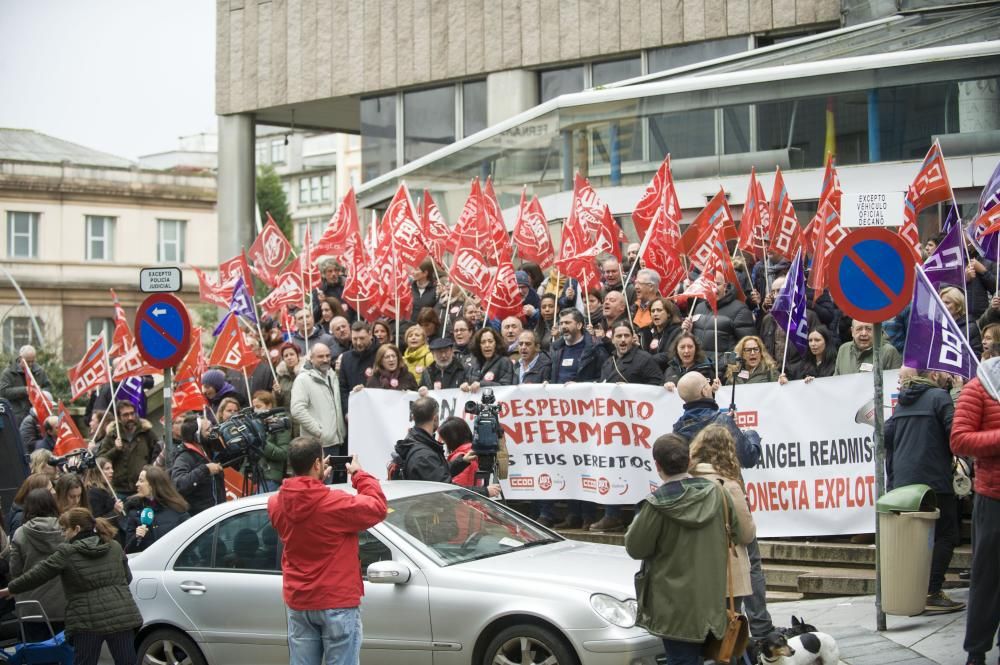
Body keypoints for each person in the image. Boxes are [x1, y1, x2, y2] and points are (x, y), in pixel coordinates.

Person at [268, 438, 387, 665]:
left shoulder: (275, 503)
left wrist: (315, 481)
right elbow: (378, 507)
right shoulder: (335, 503)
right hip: (336, 599)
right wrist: (359, 475)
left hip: (300, 600)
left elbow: (304, 505)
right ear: (316, 464)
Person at [625, 434, 738, 665]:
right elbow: (735, 531)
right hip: (713, 601)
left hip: (673, 606)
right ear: (689, 461)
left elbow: (635, 548)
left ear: (657, 465)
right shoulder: (719, 493)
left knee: (680, 660)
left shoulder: (655, 505)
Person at [0, 508, 143, 665]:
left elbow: (38, 574)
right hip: (121, 615)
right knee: (128, 661)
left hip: (86, 620)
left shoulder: (67, 552)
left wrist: (11, 589)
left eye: (64, 530)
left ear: (76, 529)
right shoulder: (114, 546)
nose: (62, 534)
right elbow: (127, 577)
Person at [884, 368, 963, 612]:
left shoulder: (902, 404)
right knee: (946, 535)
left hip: (904, 484)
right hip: (934, 481)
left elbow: (887, 437)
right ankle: (932, 590)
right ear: (932, 375)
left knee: (914, 540)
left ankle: (914, 590)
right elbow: (956, 434)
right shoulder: (939, 396)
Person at [950, 356, 1000, 665]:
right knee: (988, 579)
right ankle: (977, 651)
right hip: (993, 498)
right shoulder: (979, 386)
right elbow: (959, 439)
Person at [688, 426, 757, 627]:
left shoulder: (686, 481)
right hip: (727, 574)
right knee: (727, 637)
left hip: (692, 570)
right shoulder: (729, 485)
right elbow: (746, 534)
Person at [392, 396, 500, 496]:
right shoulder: (423, 454)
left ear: (414, 417)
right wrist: (485, 491)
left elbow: (435, 473)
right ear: (435, 418)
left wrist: (462, 461)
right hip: (429, 513)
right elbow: (446, 489)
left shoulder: (415, 442)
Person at [7, 488, 67, 641]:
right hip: (64, 605)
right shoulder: (66, 529)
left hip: (31, 608)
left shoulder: (20, 533)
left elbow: (15, 570)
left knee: (38, 654)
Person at [96, 400, 161, 499]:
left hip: (143, 488)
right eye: (125, 415)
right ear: (118, 417)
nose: (130, 418)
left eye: (132, 413)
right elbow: (101, 460)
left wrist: (149, 472)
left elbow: (157, 454)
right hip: (120, 490)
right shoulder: (112, 435)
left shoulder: (146, 433)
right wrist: (115, 450)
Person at [290, 343, 347, 454]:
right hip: (317, 444)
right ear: (311, 358)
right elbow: (297, 410)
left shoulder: (332, 375)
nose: (325, 359)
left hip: (336, 441)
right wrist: (319, 431)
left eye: (328, 356)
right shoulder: (303, 379)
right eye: (320, 356)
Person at [124, 466, 190, 553]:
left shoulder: (177, 509)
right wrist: (136, 537)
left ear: (152, 485)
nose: (137, 484)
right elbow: (128, 551)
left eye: (141, 481)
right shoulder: (134, 511)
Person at [688, 273, 756, 356]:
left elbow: (749, 343)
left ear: (725, 286)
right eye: (709, 284)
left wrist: (731, 364)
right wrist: (688, 331)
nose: (713, 288)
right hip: (701, 366)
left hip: (724, 367)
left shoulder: (740, 309)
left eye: (717, 284)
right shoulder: (699, 307)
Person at [170, 416, 226, 516]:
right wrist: (205, 469)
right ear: (196, 436)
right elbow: (179, 484)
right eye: (208, 430)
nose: (211, 432)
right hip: (203, 518)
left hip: (218, 512)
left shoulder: (207, 450)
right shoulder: (184, 457)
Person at [549, 308, 609, 384]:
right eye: (561, 323)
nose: (563, 326)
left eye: (567, 323)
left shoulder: (595, 348)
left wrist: (579, 386)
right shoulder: (555, 348)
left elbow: (604, 379)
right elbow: (550, 376)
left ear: (579, 325)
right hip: (558, 395)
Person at [250, 391, 292, 491]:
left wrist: (262, 442)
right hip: (254, 477)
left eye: (259, 406)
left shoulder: (280, 423)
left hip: (270, 477)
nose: (256, 410)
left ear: (269, 405)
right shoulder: (255, 424)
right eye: (254, 407)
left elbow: (283, 453)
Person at [0, 345, 51, 426]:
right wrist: (26, 390)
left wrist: (42, 393)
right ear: (21, 358)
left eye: (32, 361)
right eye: (27, 361)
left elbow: (47, 387)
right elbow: (3, 392)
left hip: (36, 414)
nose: (30, 364)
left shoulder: (39, 371)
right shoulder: (8, 373)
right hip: (16, 415)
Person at [835, 320, 902, 374]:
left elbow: (896, 384)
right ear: (852, 331)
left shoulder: (889, 352)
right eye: (859, 329)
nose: (864, 333)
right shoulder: (843, 349)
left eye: (868, 329)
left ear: (877, 330)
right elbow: (837, 382)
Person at [640, 297, 684, 370]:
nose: (655, 314)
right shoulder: (646, 332)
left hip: (667, 371)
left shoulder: (677, 331)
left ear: (668, 313)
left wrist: (648, 360)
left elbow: (671, 354)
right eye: (653, 311)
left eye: (659, 310)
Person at [438, 416, 477, 487]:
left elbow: (455, 488)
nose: (444, 442)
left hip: (463, 497)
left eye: (445, 439)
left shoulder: (460, 457)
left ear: (451, 439)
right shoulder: (470, 451)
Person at [84, 457, 123, 523]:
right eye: (107, 469)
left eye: (111, 468)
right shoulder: (93, 492)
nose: (112, 471)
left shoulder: (105, 489)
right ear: (97, 472)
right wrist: (115, 511)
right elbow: (97, 520)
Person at [275, 342, 305, 410]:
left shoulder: (306, 372)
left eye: (292, 354)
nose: (289, 358)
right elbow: (278, 403)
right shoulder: (280, 375)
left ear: (298, 355)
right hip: (288, 414)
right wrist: (277, 394)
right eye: (286, 356)